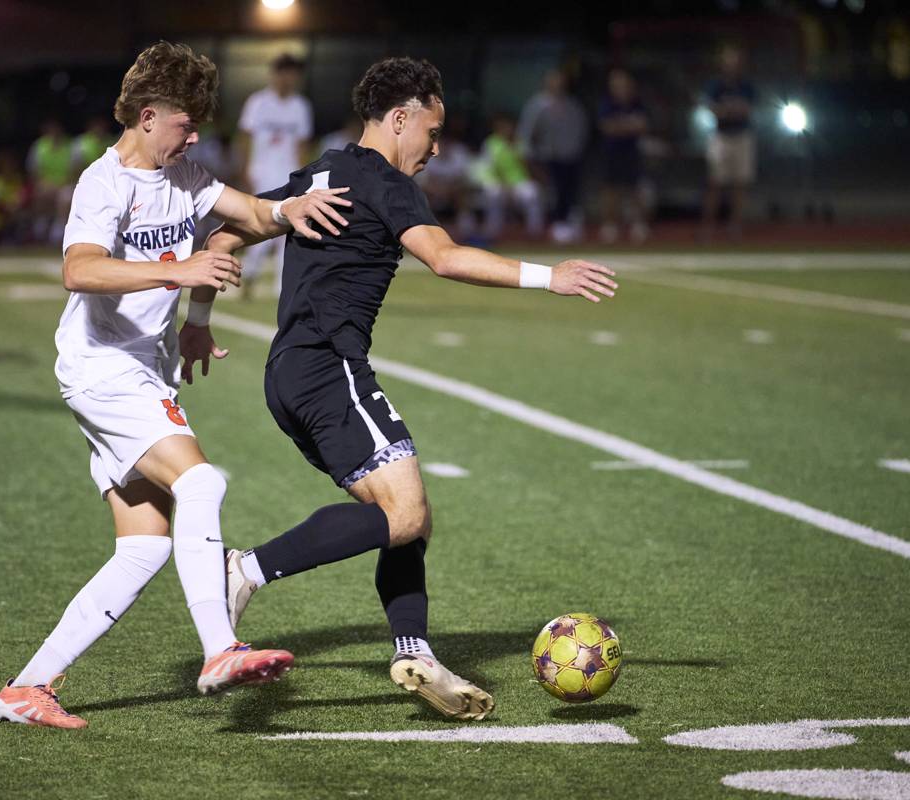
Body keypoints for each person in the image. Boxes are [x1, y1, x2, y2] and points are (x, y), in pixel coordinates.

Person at [195, 57, 617, 721]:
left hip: (290, 373)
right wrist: (549, 276)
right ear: (400, 118)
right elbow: (445, 258)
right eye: (433, 129)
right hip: (329, 368)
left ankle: (413, 651)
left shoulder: (320, 172)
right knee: (407, 514)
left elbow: (228, 232)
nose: (437, 146)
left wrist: (198, 320)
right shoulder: (383, 180)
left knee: (403, 517)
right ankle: (243, 571)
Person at [0, 41, 352, 729]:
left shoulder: (184, 174)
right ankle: (219, 648)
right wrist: (179, 274)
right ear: (149, 115)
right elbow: (80, 271)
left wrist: (292, 210)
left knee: (145, 546)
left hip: (138, 370)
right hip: (104, 368)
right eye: (185, 125)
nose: (193, 138)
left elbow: (247, 212)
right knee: (202, 483)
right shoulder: (106, 182)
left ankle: (26, 689)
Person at [236, 53, 313, 299]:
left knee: (289, 232)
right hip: (261, 175)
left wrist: (304, 178)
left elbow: (302, 144)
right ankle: (249, 274)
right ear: (276, 74)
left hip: (288, 176)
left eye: (295, 75)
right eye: (287, 73)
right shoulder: (258, 103)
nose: (290, 79)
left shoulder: (300, 106)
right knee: (261, 230)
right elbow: (245, 138)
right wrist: (245, 171)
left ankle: (283, 288)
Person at [516, 69, 589, 243]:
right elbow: (527, 132)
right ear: (547, 83)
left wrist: (578, 149)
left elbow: (582, 128)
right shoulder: (537, 105)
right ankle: (556, 224)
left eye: (560, 81)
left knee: (570, 191)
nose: (557, 85)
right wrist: (528, 156)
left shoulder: (573, 105)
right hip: (548, 156)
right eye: (553, 81)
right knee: (553, 192)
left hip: (571, 155)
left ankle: (570, 222)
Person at [701, 45, 757, 241]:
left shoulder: (746, 85)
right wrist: (728, 111)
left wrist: (728, 110)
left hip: (742, 136)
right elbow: (712, 109)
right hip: (721, 136)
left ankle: (735, 226)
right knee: (715, 183)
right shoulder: (715, 85)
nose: (732, 65)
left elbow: (747, 110)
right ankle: (708, 227)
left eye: (735, 61)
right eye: (728, 61)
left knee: (739, 184)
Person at [597, 68, 650, 244]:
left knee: (635, 188)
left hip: (631, 152)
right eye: (616, 85)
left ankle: (638, 225)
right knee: (610, 189)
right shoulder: (607, 103)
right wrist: (628, 126)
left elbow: (642, 126)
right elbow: (607, 128)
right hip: (612, 152)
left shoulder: (637, 103)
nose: (620, 88)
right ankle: (610, 225)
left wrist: (620, 126)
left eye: (623, 84)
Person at [474, 114, 542, 241]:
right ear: (497, 128)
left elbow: (528, 166)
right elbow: (491, 168)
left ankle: (534, 231)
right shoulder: (491, 143)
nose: (507, 129)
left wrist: (516, 148)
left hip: (519, 182)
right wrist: (506, 186)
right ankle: (493, 230)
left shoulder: (520, 142)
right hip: (498, 181)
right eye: (503, 127)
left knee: (532, 192)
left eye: (509, 127)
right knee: (494, 193)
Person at [27, 118, 74, 243]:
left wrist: (59, 186)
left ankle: (58, 229)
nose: (54, 132)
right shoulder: (39, 147)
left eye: (56, 129)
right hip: (45, 185)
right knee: (40, 192)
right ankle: (41, 225)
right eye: (51, 129)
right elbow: (34, 172)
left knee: (66, 196)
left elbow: (75, 172)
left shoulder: (70, 147)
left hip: (66, 185)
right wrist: (45, 184)